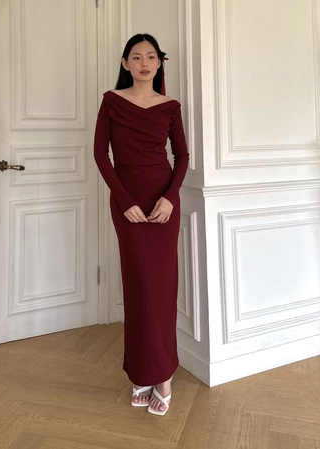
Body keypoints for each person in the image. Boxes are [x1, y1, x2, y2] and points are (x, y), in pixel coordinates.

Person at [94, 33, 189, 416]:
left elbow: (182, 156)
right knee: (138, 287)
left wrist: (170, 198)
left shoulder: (170, 107)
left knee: (162, 289)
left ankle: (163, 376)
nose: (144, 63)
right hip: (128, 205)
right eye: (137, 57)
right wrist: (125, 201)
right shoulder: (112, 101)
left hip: (164, 205)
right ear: (125, 63)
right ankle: (140, 373)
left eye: (151, 56)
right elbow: (100, 155)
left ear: (159, 62)